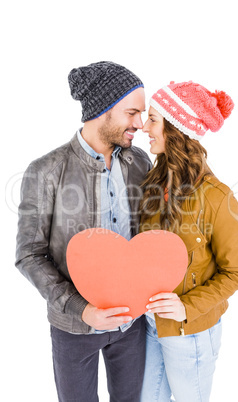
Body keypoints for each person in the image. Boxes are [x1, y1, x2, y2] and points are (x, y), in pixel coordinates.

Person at [15, 61, 152, 402]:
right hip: (74, 327)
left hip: (132, 324)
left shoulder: (140, 163)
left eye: (142, 113)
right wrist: (82, 308)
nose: (140, 123)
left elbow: (149, 236)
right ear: (103, 111)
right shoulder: (46, 171)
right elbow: (29, 254)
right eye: (131, 112)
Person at [139, 81, 238, 402]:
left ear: (176, 129)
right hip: (149, 327)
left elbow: (237, 272)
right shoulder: (151, 184)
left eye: (153, 120)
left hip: (192, 336)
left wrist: (185, 306)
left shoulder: (217, 197)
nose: (145, 128)